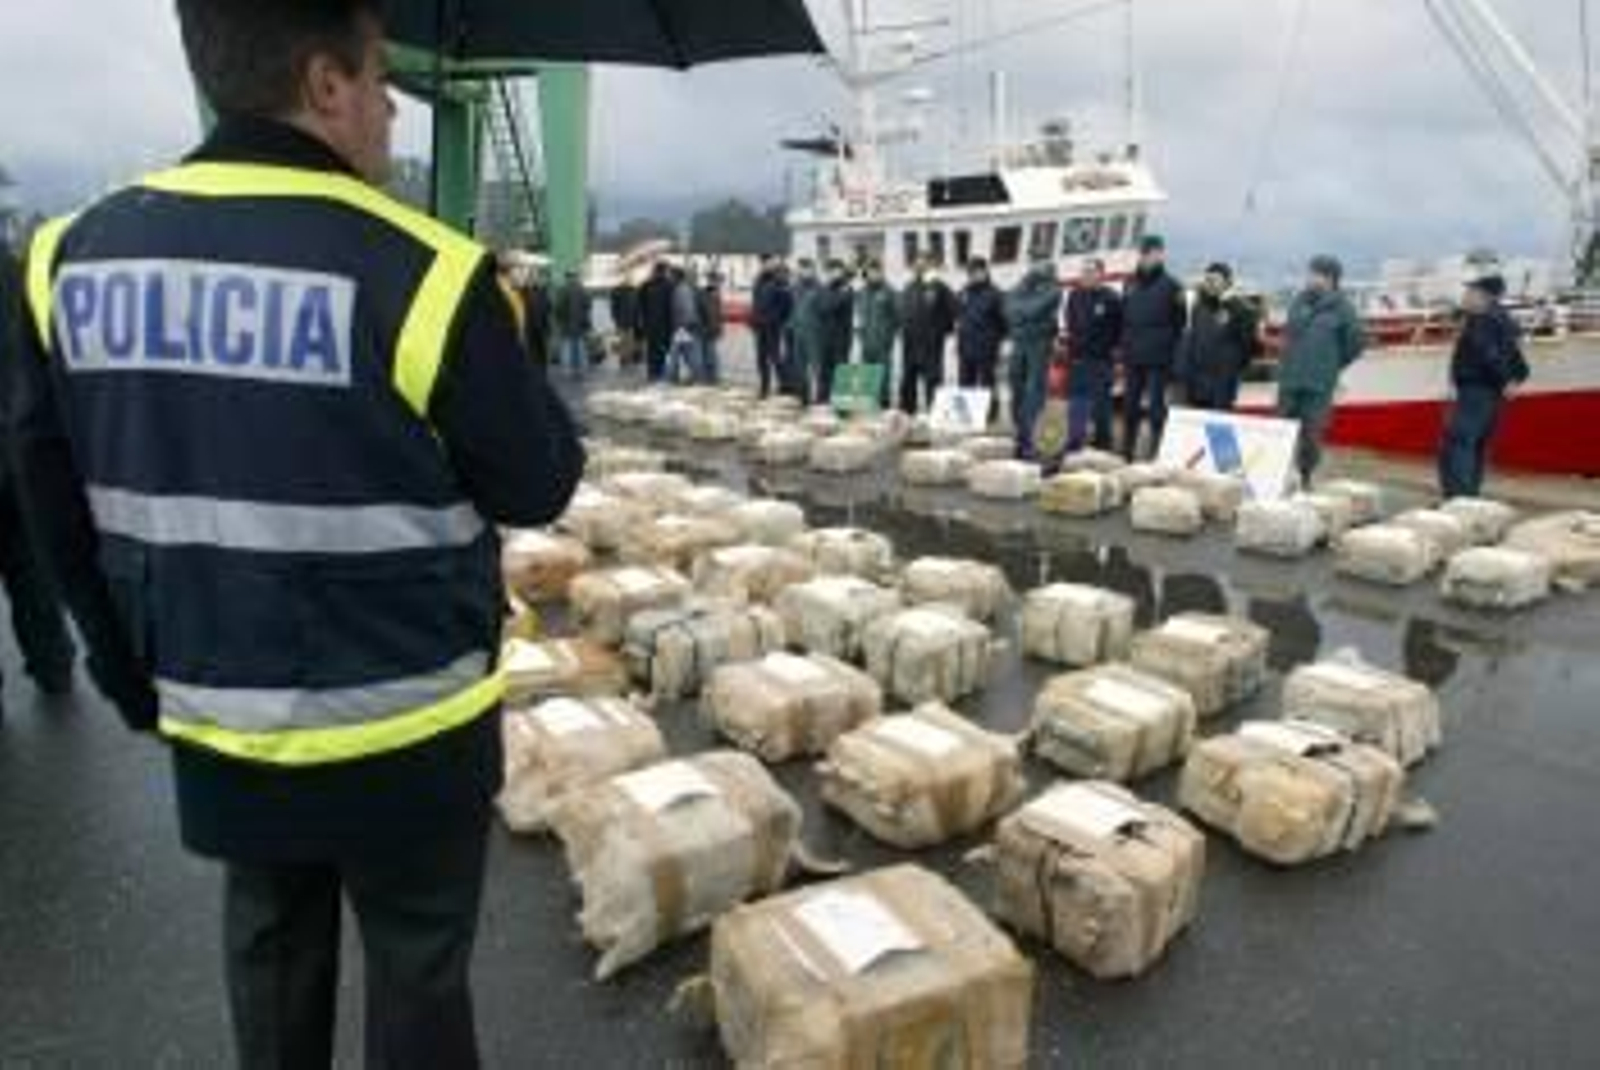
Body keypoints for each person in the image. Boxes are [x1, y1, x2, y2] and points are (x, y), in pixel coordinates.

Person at [6, 3, 586, 1066]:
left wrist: (125, 670)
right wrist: (514, 326)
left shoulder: (66, 258)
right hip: (412, 721)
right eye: (378, 81)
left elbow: (48, 495)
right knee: (417, 977)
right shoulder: (427, 270)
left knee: (270, 954)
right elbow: (540, 480)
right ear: (325, 86)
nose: (392, 109)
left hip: (222, 711)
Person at [0, 244, 78, 724]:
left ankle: (54, 664)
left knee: (29, 567)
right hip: (13, 445)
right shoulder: (11, 269)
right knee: (29, 569)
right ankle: (54, 666)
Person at [1439, 273, 1530, 498]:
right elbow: (1518, 359)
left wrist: (1505, 380)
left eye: (1471, 292)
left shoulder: (1481, 320)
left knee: (1458, 444)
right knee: (1477, 446)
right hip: (1491, 394)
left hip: (1475, 390)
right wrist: (1515, 379)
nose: (1466, 296)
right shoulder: (1504, 319)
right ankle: (1471, 499)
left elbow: (1487, 354)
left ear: (1484, 296)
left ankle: (1458, 500)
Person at [1278, 254, 1366, 486]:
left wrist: (1332, 364)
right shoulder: (1299, 302)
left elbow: (1355, 343)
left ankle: (1306, 477)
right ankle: (1277, 475)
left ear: (1331, 279)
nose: (1311, 278)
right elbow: (1289, 334)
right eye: (1311, 272)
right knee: (1281, 429)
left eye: (1317, 274)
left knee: (1312, 434)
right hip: (1290, 378)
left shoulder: (1343, 308)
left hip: (1318, 383)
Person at [1119, 234, 1188, 458]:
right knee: (1130, 406)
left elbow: (1180, 323)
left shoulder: (1173, 286)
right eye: (1147, 253)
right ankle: (1126, 450)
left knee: (1157, 409)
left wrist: (1172, 355)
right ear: (1141, 255)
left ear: (1161, 255)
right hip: (1133, 355)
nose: (1152, 257)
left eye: (1156, 252)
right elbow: (1124, 317)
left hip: (1159, 358)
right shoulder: (1129, 284)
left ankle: (1156, 451)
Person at [1178, 262, 1261, 411]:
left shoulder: (1241, 309)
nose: (1210, 284)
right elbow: (1193, 339)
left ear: (1227, 282)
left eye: (1215, 280)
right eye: (1208, 279)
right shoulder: (1199, 307)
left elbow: (1249, 345)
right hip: (1198, 380)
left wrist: (1232, 368)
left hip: (1223, 381)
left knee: (1218, 422)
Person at [1062, 257, 1124, 451]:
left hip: (1100, 360)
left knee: (1101, 406)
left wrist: (1118, 357)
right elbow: (1070, 321)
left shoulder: (1111, 298)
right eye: (1084, 271)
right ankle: (1075, 440)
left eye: (1091, 271)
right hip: (1077, 359)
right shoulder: (1074, 295)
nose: (1086, 275)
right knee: (1076, 403)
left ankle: (1104, 443)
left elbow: (1120, 330)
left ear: (1101, 274)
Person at [1005, 255, 1063, 458]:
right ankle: (1020, 432)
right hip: (1020, 342)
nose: (1034, 266)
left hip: (1039, 343)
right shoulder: (1025, 282)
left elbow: (1032, 309)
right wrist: (1021, 310)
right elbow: (1008, 306)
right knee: (1015, 384)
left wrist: (1021, 310)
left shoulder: (1054, 288)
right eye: (1033, 262)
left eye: (1039, 262)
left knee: (1035, 389)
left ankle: (1030, 437)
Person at [898, 257, 957, 414]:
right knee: (908, 381)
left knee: (933, 381)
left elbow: (954, 308)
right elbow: (903, 312)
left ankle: (935, 413)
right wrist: (904, 330)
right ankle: (907, 413)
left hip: (931, 344)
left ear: (930, 267)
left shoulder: (939, 287)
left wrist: (943, 330)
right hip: (910, 343)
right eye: (917, 266)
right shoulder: (908, 287)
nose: (920, 268)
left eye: (923, 265)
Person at [956, 257, 1007, 417]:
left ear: (985, 271)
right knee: (965, 383)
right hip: (966, 346)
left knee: (987, 383)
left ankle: (990, 414)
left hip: (986, 347)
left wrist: (995, 340)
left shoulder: (995, 293)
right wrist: (959, 341)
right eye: (971, 272)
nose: (974, 275)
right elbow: (959, 317)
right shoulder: (964, 292)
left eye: (977, 271)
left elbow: (1004, 322)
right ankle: (967, 415)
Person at [856, 259, 899, 410]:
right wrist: (859, 333)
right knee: (867, 377)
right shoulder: (861, 292)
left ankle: (884, 405)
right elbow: (858, 316)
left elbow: (897, 317)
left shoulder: (890, 292)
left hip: (882, 344)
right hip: (866, 343)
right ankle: (868, 407)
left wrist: (889, 336)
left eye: (876, 271)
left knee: (883, 377)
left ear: (881, 272)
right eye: (870, 272)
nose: (873, 275)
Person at [749, 255, 792, 398]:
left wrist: (779, 320)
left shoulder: (780, 280)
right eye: (763, 263)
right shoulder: (758, 280)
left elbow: (787, 304)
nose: (765, 265)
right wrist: (753, 320)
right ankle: (764, 387)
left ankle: (785, 385)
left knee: (775, 357)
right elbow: (755, 302)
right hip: (759, 325)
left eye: (768, 262)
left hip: (772, 325)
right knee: (761, 359)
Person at [814, 259, 855, 404]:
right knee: (823, 374)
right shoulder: (824, 289)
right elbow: (822, 307)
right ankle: (821, 403)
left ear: (842, 272)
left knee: (841, 375)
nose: (834, 274)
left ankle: (841, 406)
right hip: (825, 339)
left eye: (837, 270)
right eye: (831, 271)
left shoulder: (848, 289)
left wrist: (835, 298)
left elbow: (833, 305)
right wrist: (836, 298)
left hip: (841, 340)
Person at [787, 258, 824, 403]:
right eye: (801, 269)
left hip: (814, 334)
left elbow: (824, 312)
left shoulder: (819, 288)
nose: (804, 271)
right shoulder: (796, 287)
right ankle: (803, 397)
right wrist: (790, 325)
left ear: (813, 270)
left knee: (816, 367)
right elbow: (793, 309)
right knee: (799, 368)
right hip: (798, 333)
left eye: (807, 268)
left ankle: (819, 398)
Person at [638, 259, 676, 382]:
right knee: (664, 350)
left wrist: (641, 324)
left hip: (650, 324)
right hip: (665, 325)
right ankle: (662, 374)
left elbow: (640, 306)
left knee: (652, 350)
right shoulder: (670, 286)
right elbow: (672, 308)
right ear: (664, 271)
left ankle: (652, 373)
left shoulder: (646, 285)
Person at [552, 268, 592, 380]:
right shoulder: (582, 289)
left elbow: (558, 308)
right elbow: (588, 305)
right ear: (576, 277)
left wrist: (559, 320)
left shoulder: (562, 290)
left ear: (567, 277)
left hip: (567, 325)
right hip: (580, 325)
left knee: (567, 348)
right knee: (580, 347)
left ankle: (568, 370)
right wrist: (585, 319)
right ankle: (581, 370)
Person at [668, 265, 702, 383]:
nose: (669, 277)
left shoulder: (681, 290)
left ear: (676, 276)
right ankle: (694, 376)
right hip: (686, 325)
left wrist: (682, 325)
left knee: (675, 353)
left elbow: (687, 308)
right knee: (687, 353)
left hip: (682, 326)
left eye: (671, 275)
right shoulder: (684, 288)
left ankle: (673, 378)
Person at [696, 270, 726, 385]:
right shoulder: (710, 293)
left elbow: (716, 313)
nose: (719, 284)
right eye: (717, 281)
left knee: (709, 353)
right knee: (709, 354)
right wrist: (717, 328)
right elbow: (712, 313)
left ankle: (711, 377)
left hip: (708, 329)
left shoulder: (711, 293)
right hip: (708, 329)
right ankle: (711, 377)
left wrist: (718, 327)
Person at [609, 274, 640, 369]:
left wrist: (615, 318)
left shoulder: (620, 292)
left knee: (626, 340)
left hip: (625, 320)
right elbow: (636, 307)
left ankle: (626, 359)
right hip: (627, 320)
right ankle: (626, 359)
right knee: (627, 340)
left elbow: (614, 308)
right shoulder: (633, 292)